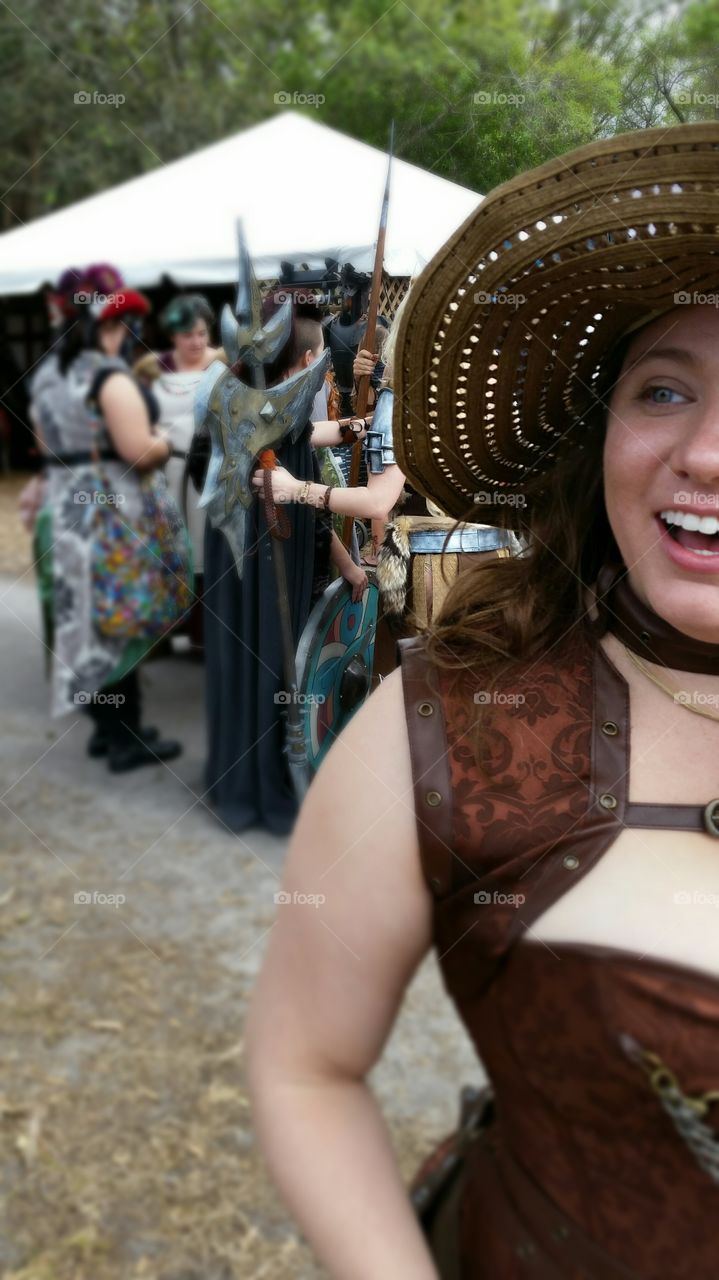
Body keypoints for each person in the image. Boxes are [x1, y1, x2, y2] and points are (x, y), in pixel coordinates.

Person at [246, 122, 719, 1278]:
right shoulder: (451, 722)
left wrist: (313, 484)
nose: (707, 452)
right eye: (664, 388)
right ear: (596, 430)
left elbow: (382, 499)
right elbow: (302, 1060)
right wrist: (311, 471)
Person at [203, 301, 368, 837]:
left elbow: (305, 433)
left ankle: (236, 783)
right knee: (274, 661)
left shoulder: (238, 404)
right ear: (304, 361)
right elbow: (313, 520)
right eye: (319, 355)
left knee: (238, 661)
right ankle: (268, 787)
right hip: (273, 552)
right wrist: (350, 566)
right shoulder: (280, 419)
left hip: (230, 558)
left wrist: (351, 426)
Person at [29, 265, 182, 771]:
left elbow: (40, 444)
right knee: (121, 621)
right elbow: (138, 450)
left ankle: (105, 731)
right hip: (109, 512)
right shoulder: (109, 377)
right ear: (101, 326)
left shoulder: (49, 373)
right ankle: (126, 739)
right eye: (118, 326)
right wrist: (164, 442)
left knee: (86, 624)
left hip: (64, 506)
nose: (124, 336)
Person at [135, 293, 221, 652]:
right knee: (167, 549)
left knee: (204, 551)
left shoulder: (220, 371)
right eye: (189, 335)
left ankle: (203, 633)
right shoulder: (153, 373)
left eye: (202, 333)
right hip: (164, 473)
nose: (197, 341)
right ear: (174, 335)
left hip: (205, 472)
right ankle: (169, 630)